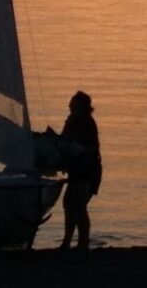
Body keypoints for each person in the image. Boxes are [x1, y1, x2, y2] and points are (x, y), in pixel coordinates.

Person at [59, 90, 102, 251]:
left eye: (73, 103)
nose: (69, 105)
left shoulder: (85, 122)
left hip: (87, 169)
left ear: (81, 106)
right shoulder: (73, 120)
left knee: (77, 205)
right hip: (78, 169)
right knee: (70, 204)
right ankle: (68, 242)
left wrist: (74, 149)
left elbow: (91, 148)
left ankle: (82, 243)